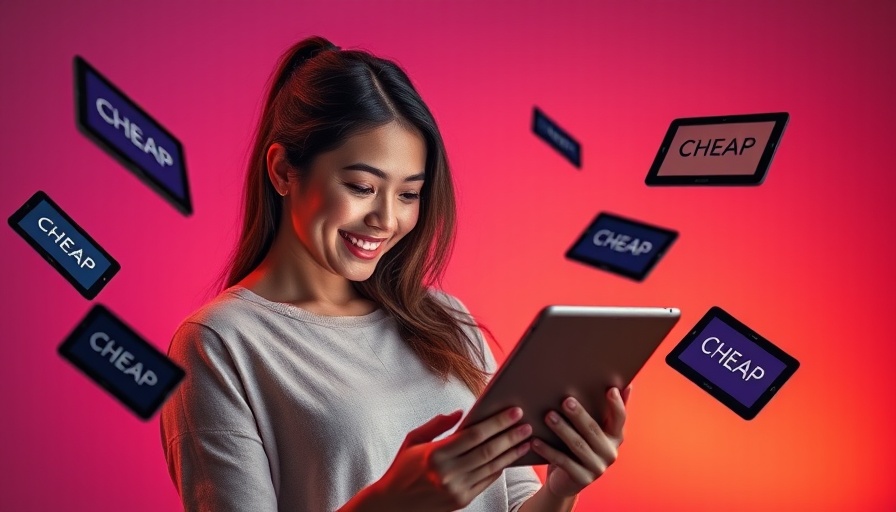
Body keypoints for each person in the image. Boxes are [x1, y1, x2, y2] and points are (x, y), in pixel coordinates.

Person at [159, 35, 632, 512]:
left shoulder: (444, 318)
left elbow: (511, 502)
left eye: (408, 194)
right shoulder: (219, 343)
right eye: (362, 186)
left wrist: (562, 488)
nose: (386, 219)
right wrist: (391, 503)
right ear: (283, 170)